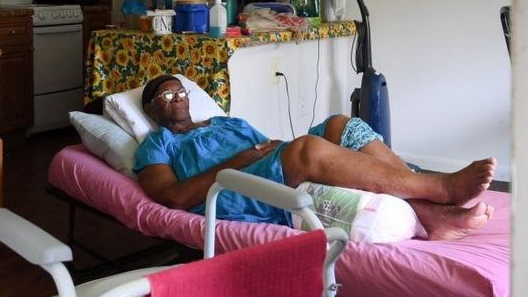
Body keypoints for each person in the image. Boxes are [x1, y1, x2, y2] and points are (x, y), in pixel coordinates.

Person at [134, 75, 497, 240]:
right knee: (304, 148)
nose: (177, 98)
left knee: (339, 124)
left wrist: (272, 149)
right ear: (151, 109)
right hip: (231, 188)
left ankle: (432, 215)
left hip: (265, 165)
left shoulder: (224, 122)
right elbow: (174, 197)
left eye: (180, 91)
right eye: (166, 97)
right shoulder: (158, 143)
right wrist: (241, 159)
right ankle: (439, 188)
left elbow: (266, 146)